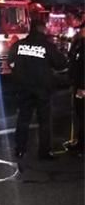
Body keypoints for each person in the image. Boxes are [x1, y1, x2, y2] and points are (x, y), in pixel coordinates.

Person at [8, 20, 68, 159]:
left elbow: (10, 62)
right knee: (44, 121)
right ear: (42, 29)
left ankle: (20, 149)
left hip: (24, 88)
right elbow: (61, 64)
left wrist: (19, 74)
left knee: (23, 118)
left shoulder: (19, 45)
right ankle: (44, 152)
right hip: (42, 89)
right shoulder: (47, 46)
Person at [67, 23, 84, 156]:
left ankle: (82, 145)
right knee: (79, 114)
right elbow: (72, 58)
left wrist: (83, 87)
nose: (80, 31)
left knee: (82, 115)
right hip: (78, 84)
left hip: (82, 87)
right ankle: (79, 142)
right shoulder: (80, 44)